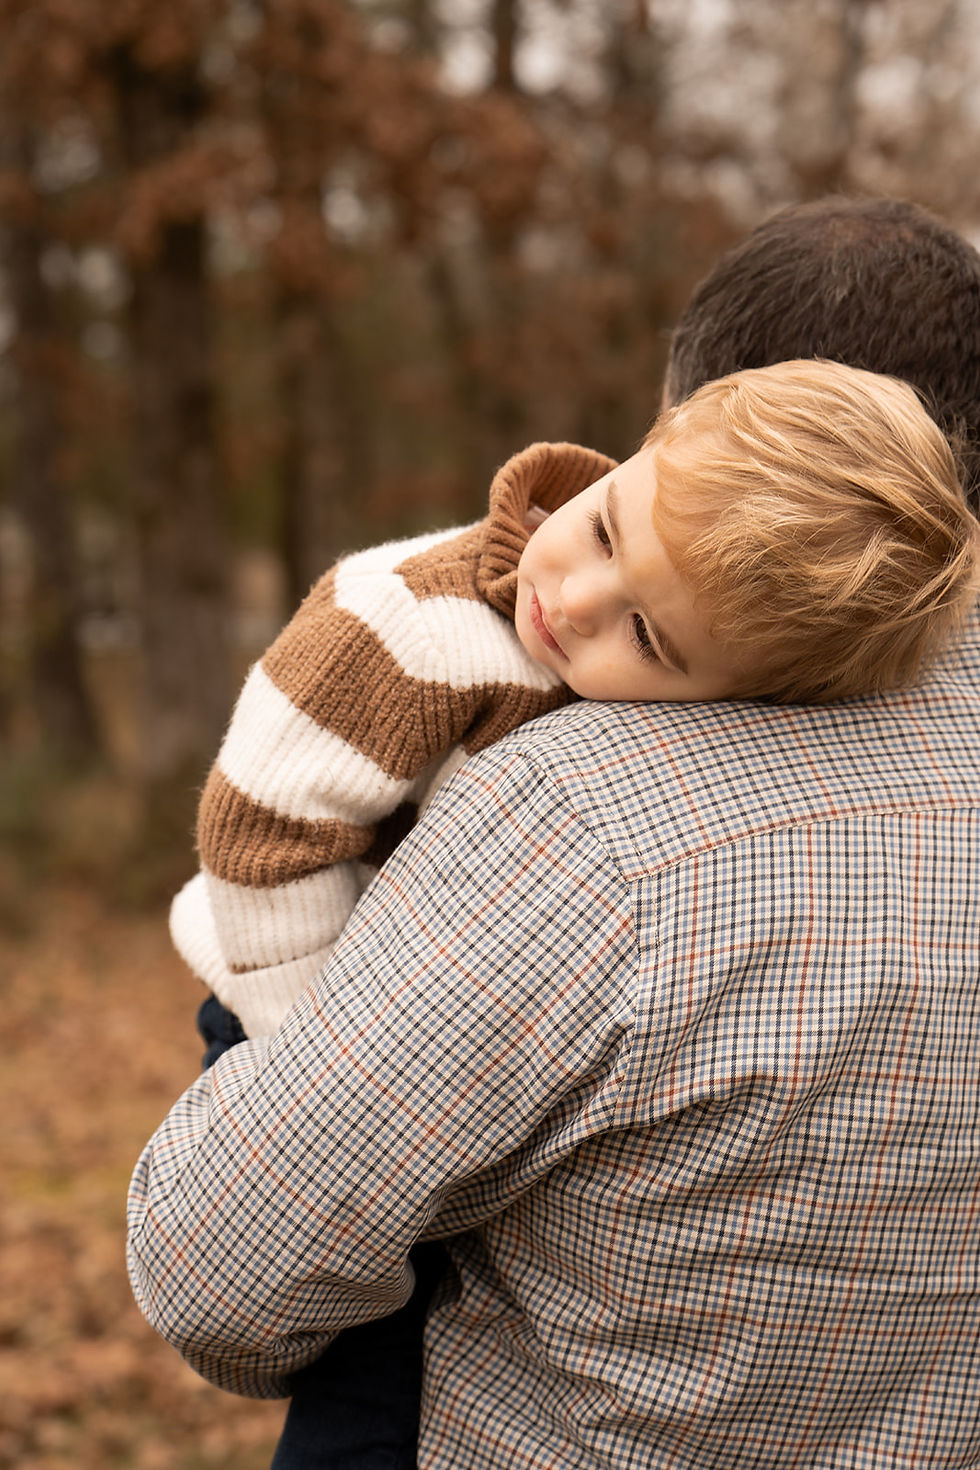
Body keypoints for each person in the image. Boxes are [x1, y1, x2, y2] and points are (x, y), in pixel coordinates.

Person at [128, 195, 980, 1469]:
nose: (571, 602)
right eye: (604, 526)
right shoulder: (426, 620)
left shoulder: (577, 815)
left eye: (652, 633)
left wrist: (294, 1053)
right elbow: (263, 818)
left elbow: (223, 1284)